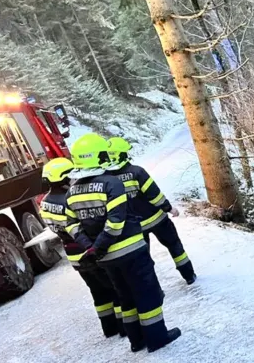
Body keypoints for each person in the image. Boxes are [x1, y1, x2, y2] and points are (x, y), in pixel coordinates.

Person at [65, 133, 181, 353]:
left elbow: (71, 225)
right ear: (97, 156)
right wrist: (98, 246)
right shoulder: (111, 184)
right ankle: (157, 338)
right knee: (148, 294)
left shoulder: (72, 192)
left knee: (125, 297)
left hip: (106, 260)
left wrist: (90, 247)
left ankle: (136, 341)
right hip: (131, 251)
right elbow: (115, 223)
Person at [40, 158, 125, 339]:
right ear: (64, 177)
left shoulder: (44, 203)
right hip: (88, 251)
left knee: (98, 292)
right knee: (114, 289)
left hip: (73, 255)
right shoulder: (68, 199)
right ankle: (124, 327)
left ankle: (109, 329)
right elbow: (82, 226)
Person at [107, 137, 196, 285]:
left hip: (135, 228)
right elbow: (154, 195)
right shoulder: (137, 172)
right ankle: (189, 276)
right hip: (157, 219)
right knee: (175, 246)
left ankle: (153, 286)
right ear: (122, 154)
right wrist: (169, 208)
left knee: (144, 259)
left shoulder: (107, 180)